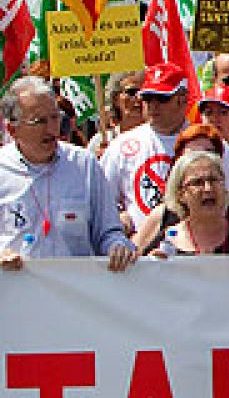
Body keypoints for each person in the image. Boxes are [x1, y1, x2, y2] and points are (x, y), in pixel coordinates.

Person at [0, 77, 136, 270]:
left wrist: (117, 247)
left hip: (75, 293)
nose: (51, 129)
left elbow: (108, 232)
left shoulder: (84, 165)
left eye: (55, 118)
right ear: (12, 130)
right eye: (39, 121)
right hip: (19, 292)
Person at [102, 63, 202, 232]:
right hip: (141, 250)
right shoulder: (120, 147)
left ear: (183, 98)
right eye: (147, 97)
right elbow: (102, 203)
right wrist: (120, 221)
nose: (153, 105)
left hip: (195, 249)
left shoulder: (207, 142)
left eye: (162, 98)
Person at [88, 70, 145, 158]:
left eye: (144, 93)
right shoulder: (100, 140)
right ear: (115, 98)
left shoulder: (159, 138)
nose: (139, 97)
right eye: (131, 92)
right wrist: (98, 163)